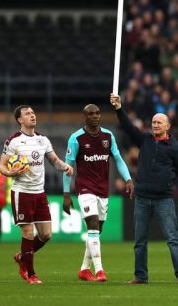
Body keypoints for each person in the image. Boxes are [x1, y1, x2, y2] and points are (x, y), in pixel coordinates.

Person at [110, 93, 178, 285]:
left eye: (159, 123)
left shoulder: (175, 147)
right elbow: (128, 127)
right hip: (143, 198)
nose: (155, 125)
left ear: (167, 126)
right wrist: (119, 108)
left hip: (164, 199)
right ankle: (140, 276)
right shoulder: (144, 139)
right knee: (139, 241)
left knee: (172, 238)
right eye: (154, 122)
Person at [0, 105, 73, 284]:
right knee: (27, 232)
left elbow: (54, 161)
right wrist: (11, 173)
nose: (32, 115)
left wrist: (66, 167)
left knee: (46, 235)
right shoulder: (13, 141)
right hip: (22, 192)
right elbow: (2, 165)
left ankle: (22, 256)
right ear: (19, 120)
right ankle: (31, 274)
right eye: (27, 114)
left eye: (33, 113)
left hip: (39, 193)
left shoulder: (43, 140)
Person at [62, 104, 133, 282]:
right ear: (84, 117)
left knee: (97, 230)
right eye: (91, 114)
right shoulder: (76, 138)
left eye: (97, 113)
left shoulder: (108, 136)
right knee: (92, 225)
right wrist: (66, 194)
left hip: (103, 189)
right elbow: (68, 167)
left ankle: (85, 269)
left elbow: (118, 158)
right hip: (85, 188)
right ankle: (100, 270)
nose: (95, 116)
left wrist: (128, 179)